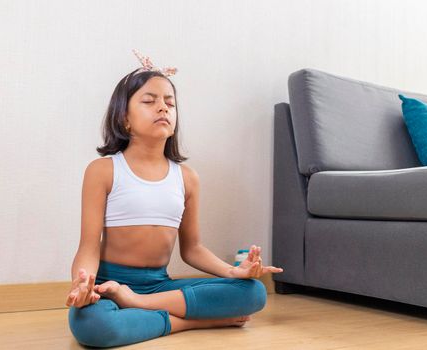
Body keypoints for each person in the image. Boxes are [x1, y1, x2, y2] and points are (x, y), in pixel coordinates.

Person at [66, 49, 284, 348]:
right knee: (93, 326)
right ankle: (188, 322)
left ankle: (139, 304)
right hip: (110, 284)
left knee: (253, 293)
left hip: (159, 285)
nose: (163, 108)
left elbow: (192, 249)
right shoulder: (103, 170)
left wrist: (236, 272)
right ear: (124, 118)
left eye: (169, 102)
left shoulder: (187, 178)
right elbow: (88, 247)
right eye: (149, 100)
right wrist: (83, 282)